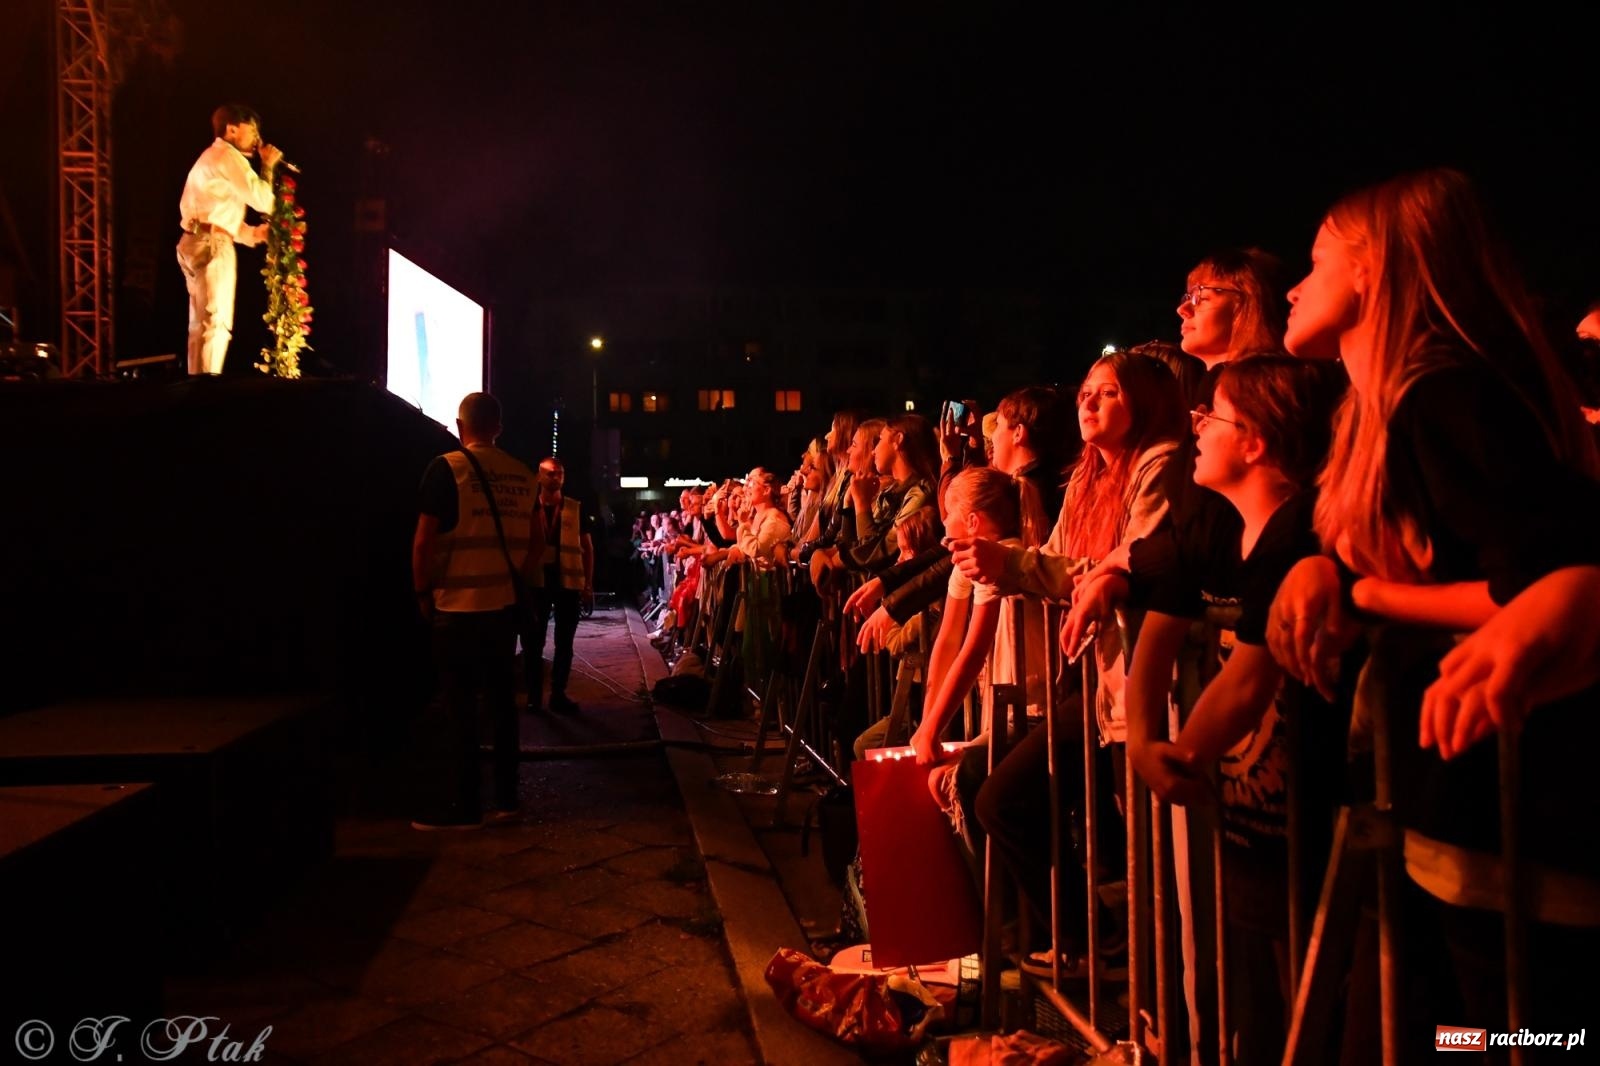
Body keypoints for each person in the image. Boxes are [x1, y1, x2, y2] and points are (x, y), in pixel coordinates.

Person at [1267, 167, 1600, 1051]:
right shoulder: (1385, 409)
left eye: (1313, 261)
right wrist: (1320, 566)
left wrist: (1363, 593)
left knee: (1500, 1038)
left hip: (1510, 824)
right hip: (1455, 811)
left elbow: (1545, 574)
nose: (1293, 288)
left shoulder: (1446, 394)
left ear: (1372, 268)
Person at [411, 393, 537, 829]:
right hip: (503, 609)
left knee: (460, 709)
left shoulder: (447, 468)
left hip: (457, 609)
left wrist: (423, 591)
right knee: (503, 707)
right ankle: (507, 799)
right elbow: (537, 543)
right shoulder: (524, 476)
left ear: (459, 425)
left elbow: (425, 540)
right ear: (499, 427)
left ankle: (464, 807)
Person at [175, 103, 283, 376]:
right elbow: (263, 200)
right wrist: (268, 166)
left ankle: (196, 383)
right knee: (216, 323)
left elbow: (217, 215)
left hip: (195, 240)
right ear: (232, 129)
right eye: (253, 129)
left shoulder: (210, 157)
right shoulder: (228, 156)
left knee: (200, 325)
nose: (258, 137)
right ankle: (206, 390)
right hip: (212, 245)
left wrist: (251, 233)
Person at [524, 456, 595, 715]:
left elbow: (587, 548)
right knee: (534, 641)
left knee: (565, 642)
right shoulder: (528, 507)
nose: (557, 478)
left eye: (560, 474)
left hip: (567, 583)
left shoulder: (574, 508)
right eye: (551, 474)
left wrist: (588, 585)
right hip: (537, 582)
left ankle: (558, 693)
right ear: (538, 476)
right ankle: (534, 696)